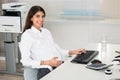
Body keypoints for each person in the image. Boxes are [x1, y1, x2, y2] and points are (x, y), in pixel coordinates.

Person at [19, 5, 86, 80]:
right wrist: (48, 62)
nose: (41, 19)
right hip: (46, 69)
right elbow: (25, 61)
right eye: (37, 16)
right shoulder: (27, 35)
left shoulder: (46, 32)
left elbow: (58, 50)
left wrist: (74, 52)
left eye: (43, 16)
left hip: (59, 65)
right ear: (31, 18)